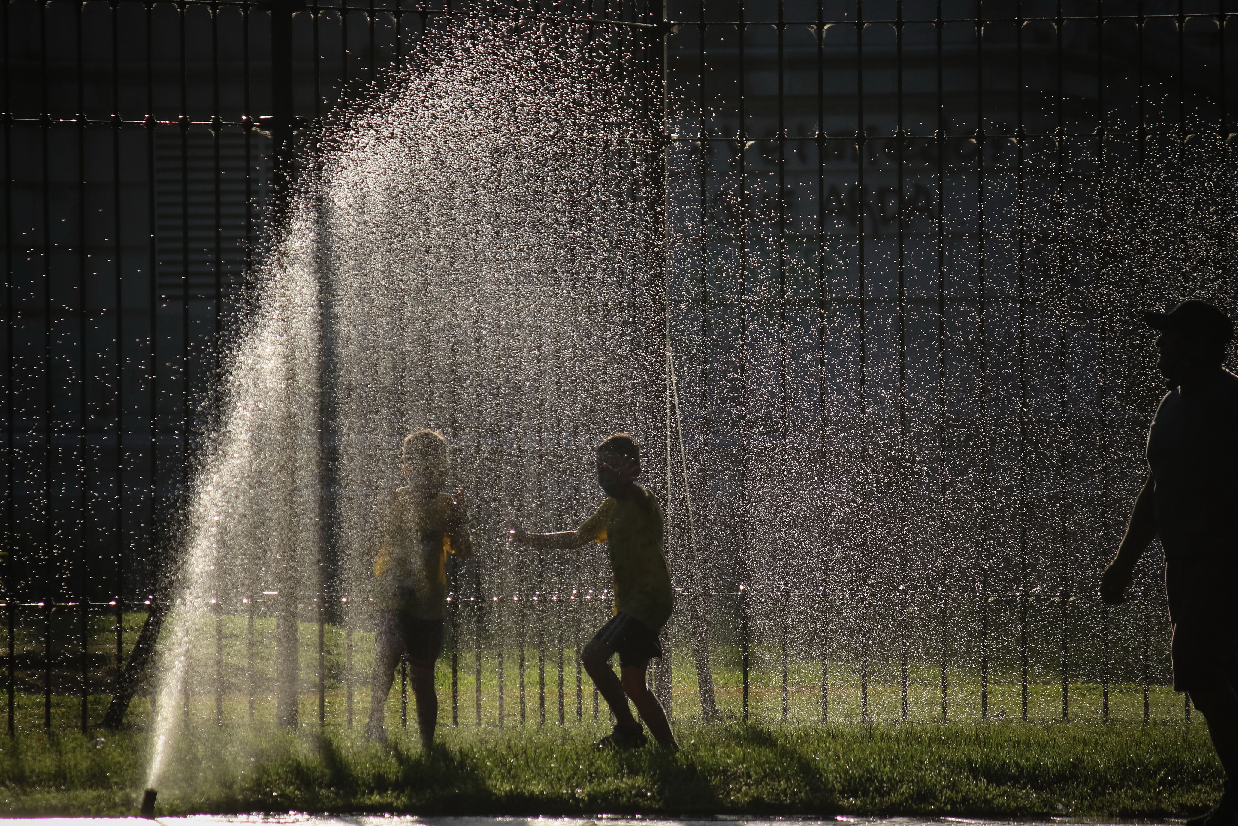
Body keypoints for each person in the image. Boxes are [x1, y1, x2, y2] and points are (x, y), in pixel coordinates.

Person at [1102, 299, 1238, 826]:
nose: (1161, 346)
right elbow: (1156, 490)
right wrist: (1125, 562)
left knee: (1199, 668)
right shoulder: (1172, 406)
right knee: (1220, 675)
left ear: (1200, 345)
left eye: (1172, 336)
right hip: (1184, 567)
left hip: (1224, 565)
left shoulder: (1229, 403)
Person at [511, 433, 678, 751]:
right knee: (633, 684)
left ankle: (628, 730)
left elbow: (641, 499)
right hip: (633, 603)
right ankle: (669, 749)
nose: (604, 472)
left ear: (634, 470)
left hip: (647, 600)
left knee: (592, 656)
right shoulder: (611, 508)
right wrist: (531, 539)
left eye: (613, 465)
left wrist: (630, 483)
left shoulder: (644, 500)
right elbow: (577, 537)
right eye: (600, 467)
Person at [366, 429, 472, 747]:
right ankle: (374, 723)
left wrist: (460, 520)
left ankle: (427, 742)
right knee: (387, 657)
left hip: (429, 603)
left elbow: (463, 551)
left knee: (422, 676)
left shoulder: (446, 506)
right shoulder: (395, 502)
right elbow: (373, 543)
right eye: (424, 470)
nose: (431, 477)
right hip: (392, 598)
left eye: (437, 470)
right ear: (407, 470)